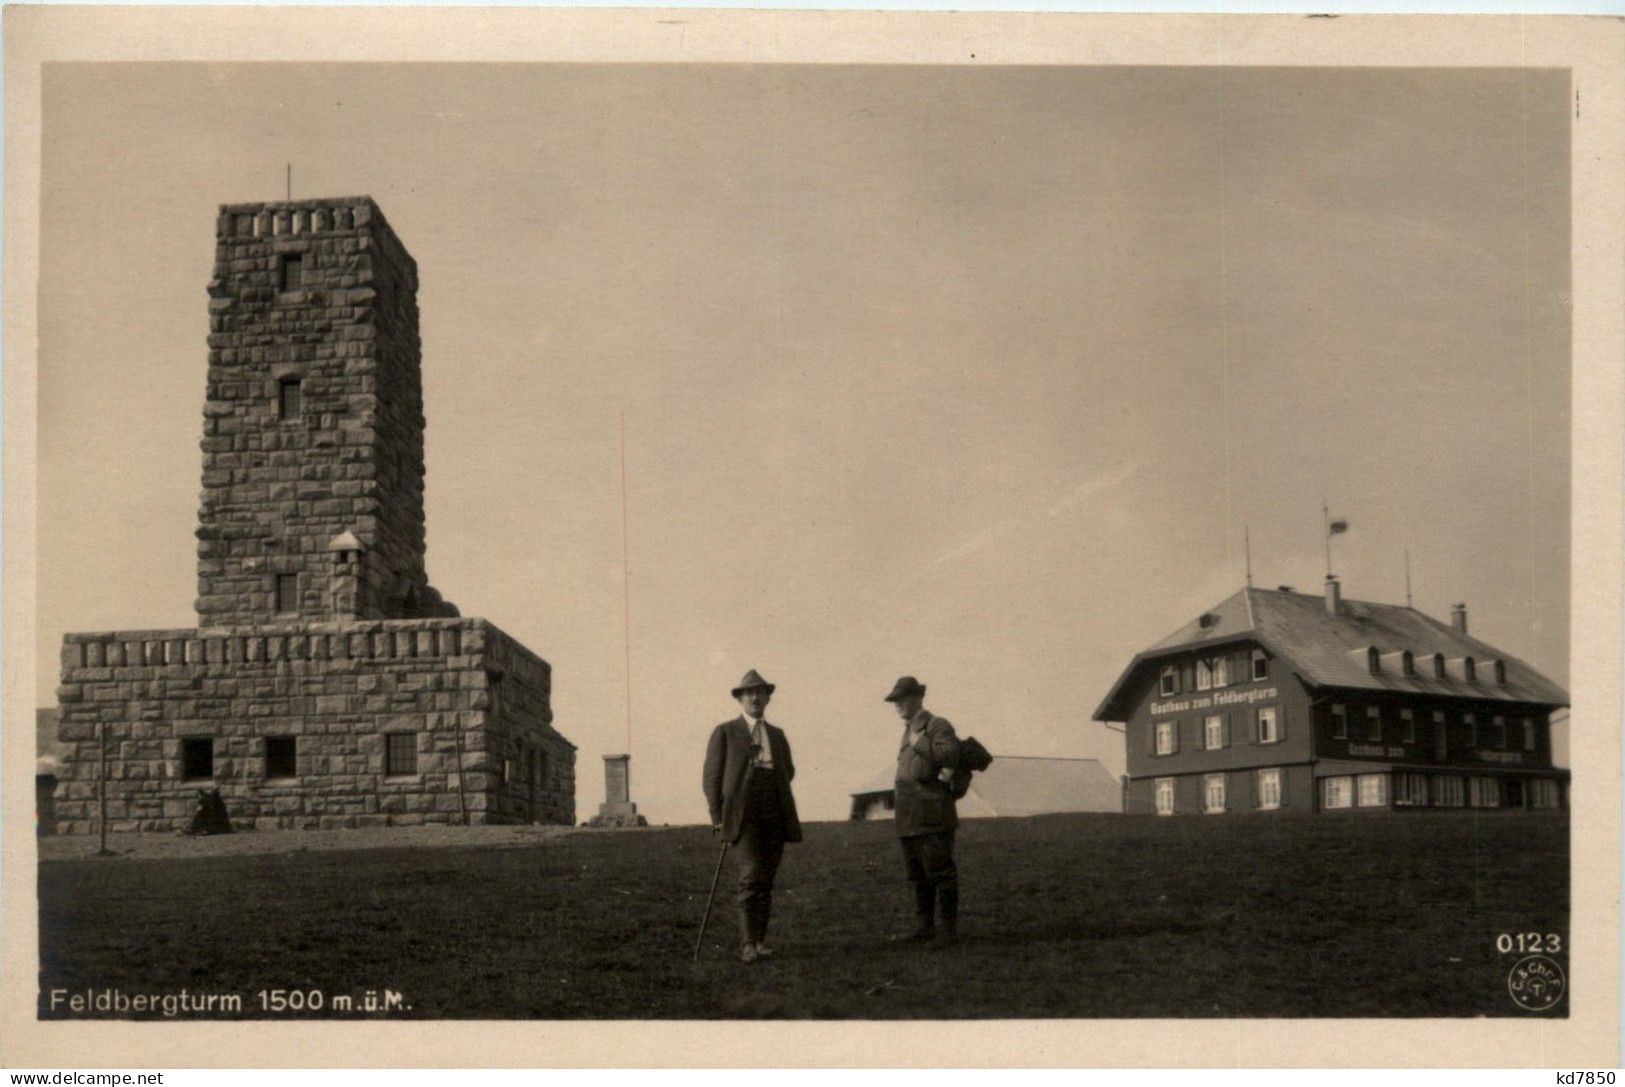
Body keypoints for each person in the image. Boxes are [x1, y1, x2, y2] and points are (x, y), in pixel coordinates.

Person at [702, 669, 803, 963]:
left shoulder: (777, 735)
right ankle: (748, 944)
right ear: (740, 699)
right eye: (749, 693)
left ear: (767, 697)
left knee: (766, 879)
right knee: (751, 875)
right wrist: (717, 816)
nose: (755, 698)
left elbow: (789, 770)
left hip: (774, 810)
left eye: (760, 692)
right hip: (742, 816)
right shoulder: (725, 732)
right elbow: (711, 778)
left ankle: (760, 942)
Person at [885, 675, 961, 946]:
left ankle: (948, 931)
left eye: (902, 699)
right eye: (895, 701)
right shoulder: (909, 729)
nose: (898, 705)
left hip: (932, 814)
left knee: (940, 872)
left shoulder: (936, 725)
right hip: (909, 817)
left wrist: (919, 741)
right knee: (918, 875)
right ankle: (925, 927)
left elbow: (951, 755)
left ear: (918, 699)